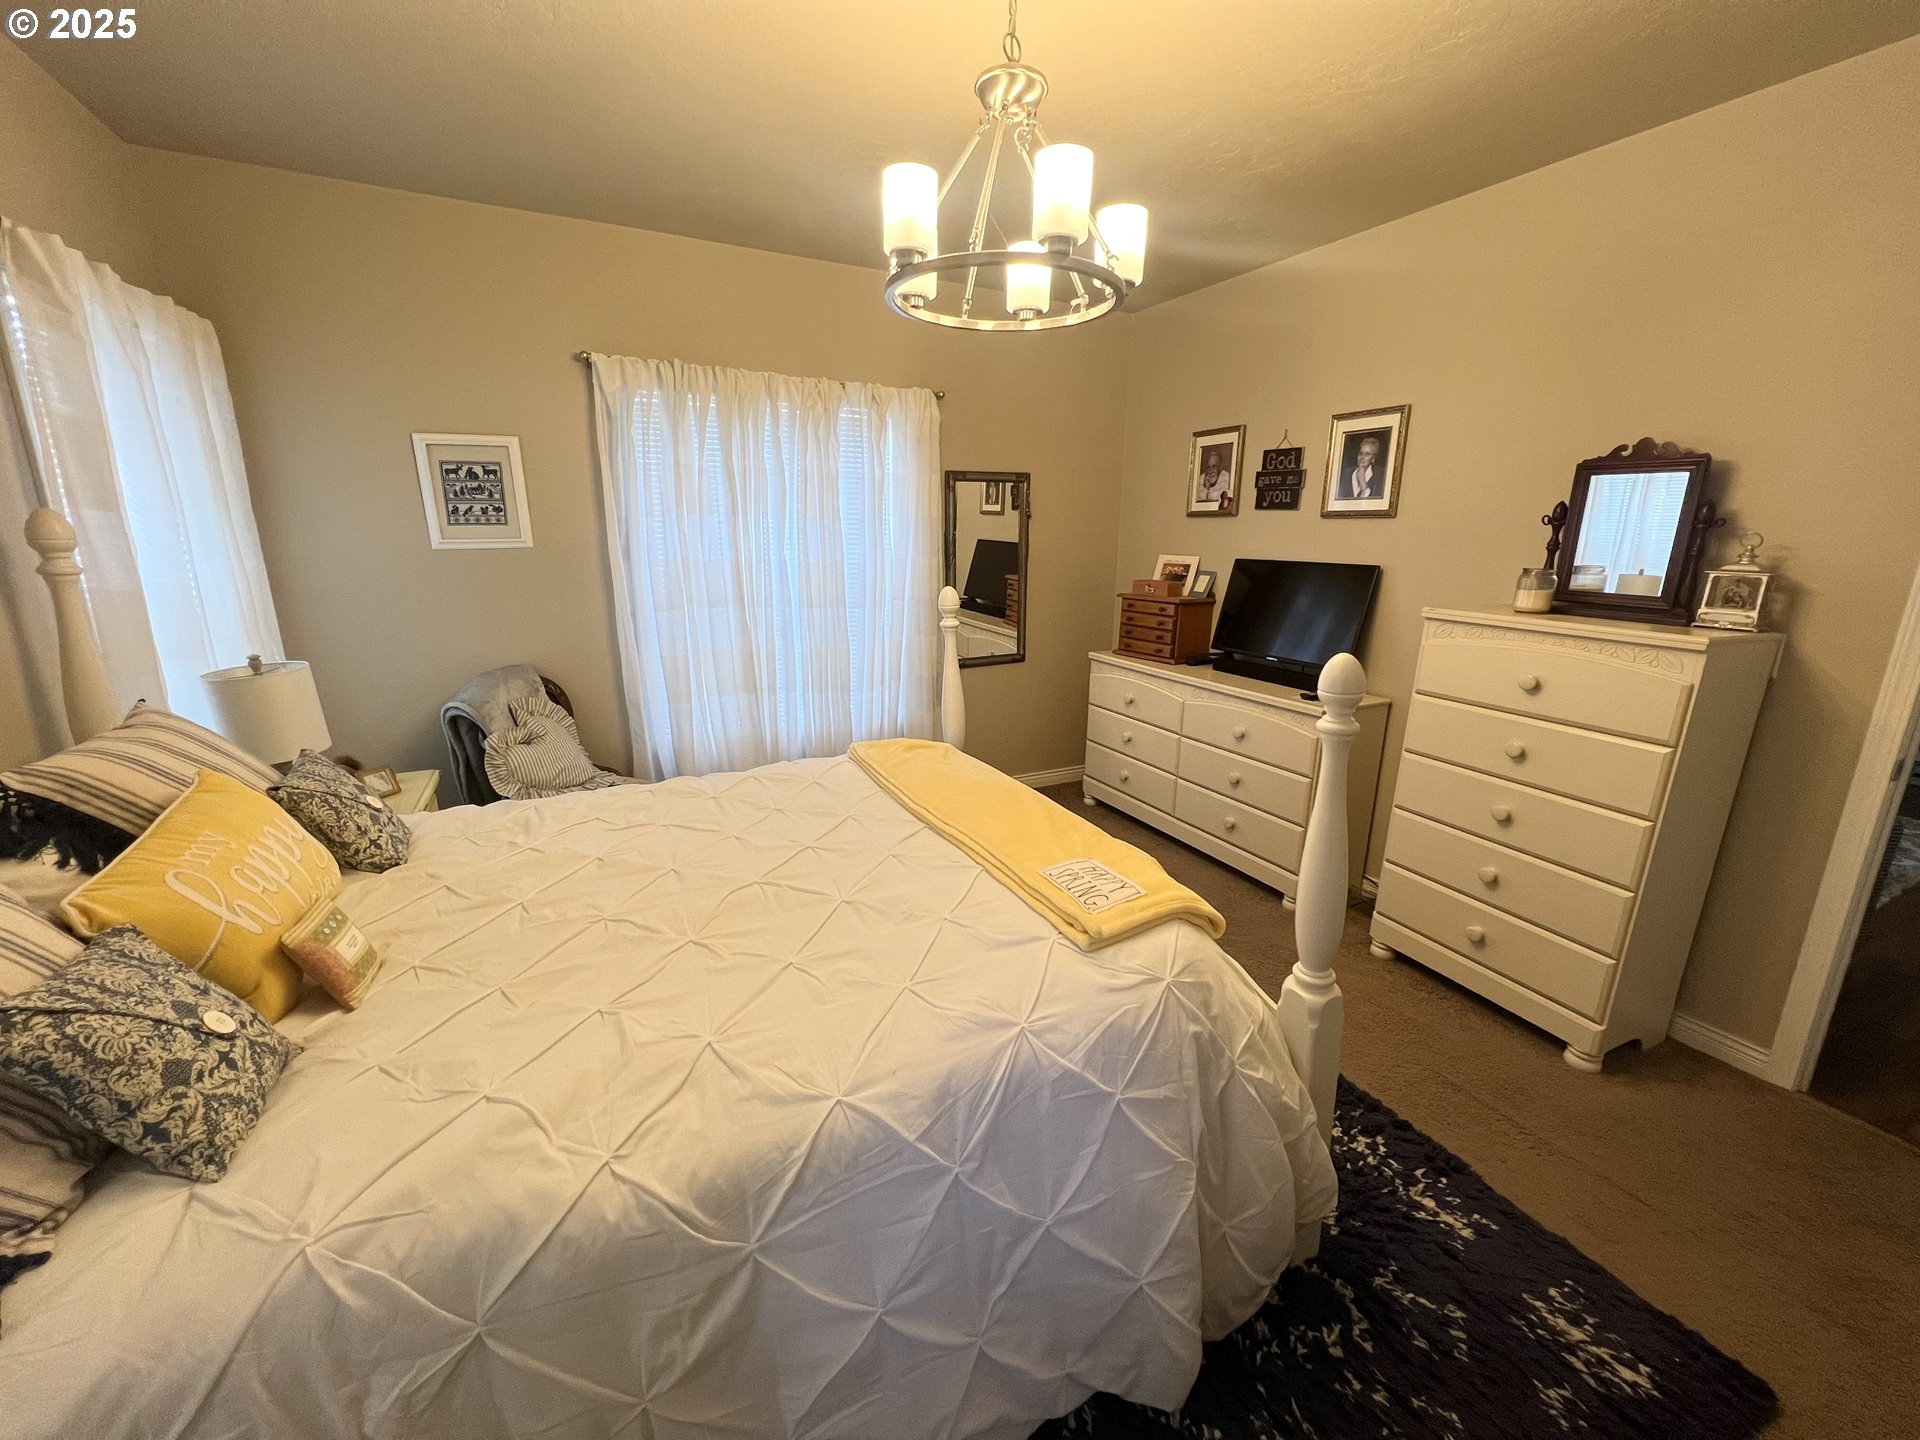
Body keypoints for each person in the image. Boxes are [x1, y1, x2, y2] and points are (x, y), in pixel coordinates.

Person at [1341, 434, 1386, 501]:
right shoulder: (1346, 473)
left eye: (1367, 454)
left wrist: (1362, 483)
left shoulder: (1381, 475)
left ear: (1373, 458)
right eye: (1360, 453)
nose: (1362, 457)